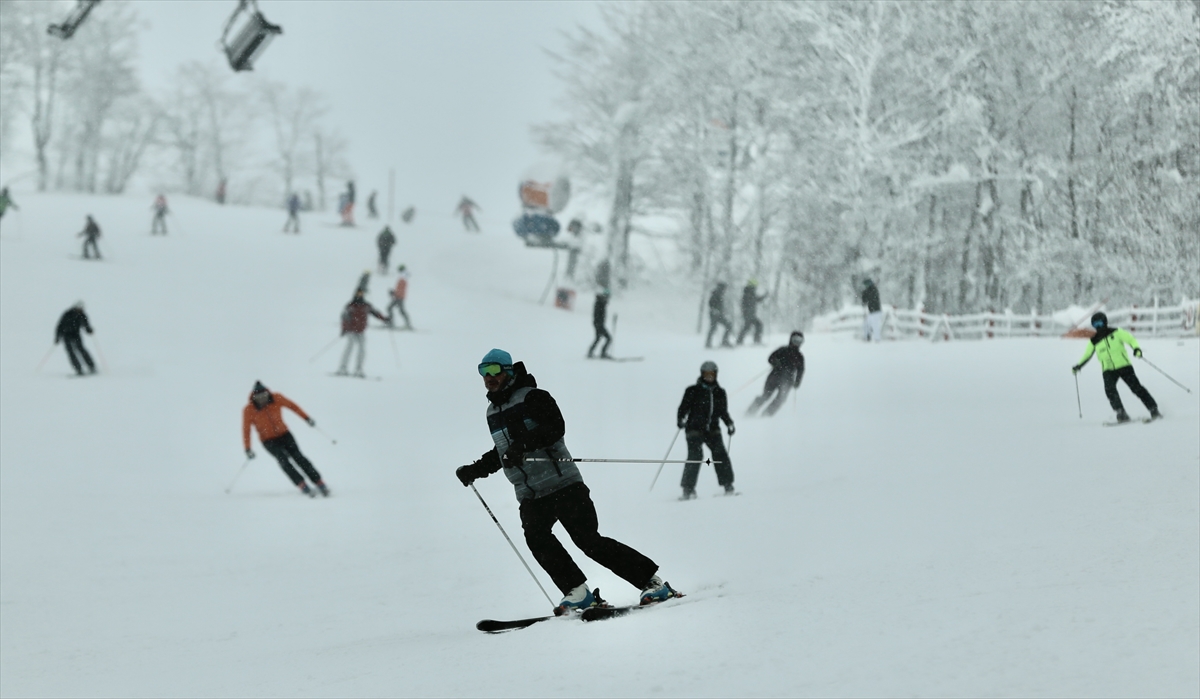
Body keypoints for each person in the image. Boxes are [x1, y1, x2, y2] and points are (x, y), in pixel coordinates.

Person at [455, 349, 680, 613]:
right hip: (530, 493)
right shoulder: (492, 411)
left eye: (495, 370)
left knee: (588, 541)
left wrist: (522, 445)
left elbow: (554, 428)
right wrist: (475, 470)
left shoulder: (533, 397)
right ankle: (578, 591)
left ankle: (652, 582)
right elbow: (502, 451)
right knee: (537, 539)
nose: (489, 377)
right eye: (484, 371)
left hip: (564, 485)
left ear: (509, 371)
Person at [242, 382, 329, 497]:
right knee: (283, 460)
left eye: (264, 396)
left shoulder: (276, 398)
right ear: (254, 397)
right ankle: (302, 484)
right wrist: (248, 448)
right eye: (259, 397)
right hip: (268, 441)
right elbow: (246, 430)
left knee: (298, 457)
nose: (262, 399)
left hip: (285, 435)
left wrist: (306, 418)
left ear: (268, 393)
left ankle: (319, 482)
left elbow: (293, 406)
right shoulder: (249, 410)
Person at [1072, 312, 1162, 423]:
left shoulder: (1116, 332)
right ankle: (1121, 412)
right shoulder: (1094, 340)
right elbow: (1087, 354)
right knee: (1110, 390)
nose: (1099, 326)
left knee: (1136, 388)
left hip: (1124, 366)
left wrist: (1136, 349)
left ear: (1105, 322)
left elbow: (1130, 339)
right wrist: (1078, 366)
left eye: (1100, 323)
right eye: (1096, 324)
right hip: (1108, 369)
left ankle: (1154, 410)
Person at [676, 360, 735, 499]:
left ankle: (728, 485)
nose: (709, 376)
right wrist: (681, 419)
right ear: (702, 374)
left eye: (712, 374)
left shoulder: (720, 392)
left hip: (712, 430)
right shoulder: (692, 390)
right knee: (695, 456)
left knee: (720, 454)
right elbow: (683, 408)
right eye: (706, 374)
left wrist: (729, 424)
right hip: (694, 429)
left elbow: (722, 412)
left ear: (716, 375)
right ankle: (688, 489)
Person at [747, 331, 806, 417]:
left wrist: (797, 381)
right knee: (766, 396)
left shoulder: (799, 356)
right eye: (795, 340)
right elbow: (771, 358)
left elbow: (801, 370)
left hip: (787, 381)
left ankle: (766, 415)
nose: (797, 343)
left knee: (781, 399)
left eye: (799, 341)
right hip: (774, 377)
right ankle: (750, 412)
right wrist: (776, 362)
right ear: (791, 340)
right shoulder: (783, 350)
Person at [337, 289, 388, 377]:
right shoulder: (350, 305)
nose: (359, 295)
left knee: (362, 349)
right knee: (350, 346)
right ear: (355, 294)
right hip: (351, 330)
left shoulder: (366, 305)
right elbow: (344, 317)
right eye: (358, 293)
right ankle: (343, 367)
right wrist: (344, 329)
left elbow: (375, 313)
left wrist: (384, 319)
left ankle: (358, 369)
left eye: (361, 294)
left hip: (361, 331)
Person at [55, 302, 96, 376]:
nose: (80, 310)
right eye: (79, 308)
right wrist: (57, 337)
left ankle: (91, 366)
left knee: (81, 349)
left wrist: (88, 329)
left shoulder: (82, 315)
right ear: (75, 307)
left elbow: (86, 324)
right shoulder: (68, 314)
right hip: (66, 335)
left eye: (81, 309)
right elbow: (60, 325)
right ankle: (78, 369)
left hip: (76, 335)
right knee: (70, 352)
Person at [737, 280, 768, 345]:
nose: (756, 288)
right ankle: (742, 341)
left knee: (753, 326)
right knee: (750, 326)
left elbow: (757, 299)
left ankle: (741, 340)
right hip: (748, 315)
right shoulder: (748, 293)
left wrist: (765, 295)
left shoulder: (750, 293)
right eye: (755, 286)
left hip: (751, 314)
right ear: (752, 286)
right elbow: (749, 302)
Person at [706, 282, 734, 348]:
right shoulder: (716, 294)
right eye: (724, 288)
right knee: (713, 328)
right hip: (714, 314)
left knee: (728, 325)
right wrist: (714, 310)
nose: (725, 290)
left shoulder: (719, 294)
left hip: (719, 314)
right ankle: (708, 343)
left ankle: (724, 341)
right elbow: (711, 303)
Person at [587, 289, 612, 359]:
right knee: (609, 338)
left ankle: (591, 352)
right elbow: (598, 314)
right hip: (599, 324)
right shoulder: (600, 303)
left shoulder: (600, 302)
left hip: (598, 323)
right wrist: (600, 323)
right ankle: (602, 353)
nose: (608, 298)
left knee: (598, 338)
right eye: (607, 297)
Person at [387, 264, 412, 330]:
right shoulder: (403, 277)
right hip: (398, 297)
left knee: (394, 309)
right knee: (392, 309)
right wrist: (394, 292)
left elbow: (401, 289)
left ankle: (407, 324)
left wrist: (394, 293)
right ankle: (407, 323)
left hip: (399, 297)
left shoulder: (403, 278)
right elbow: (400, 289)